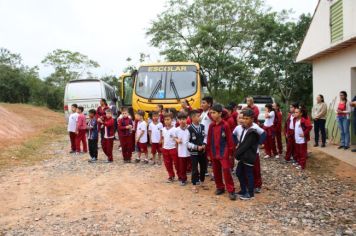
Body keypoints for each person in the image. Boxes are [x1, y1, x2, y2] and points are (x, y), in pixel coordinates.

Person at [206, 104, 236, 201]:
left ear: (220, 113)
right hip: (214, 152)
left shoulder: (225, 125)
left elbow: (230, 140)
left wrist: (231, 152)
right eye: (211, 113)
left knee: (226, 170)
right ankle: (220, 187)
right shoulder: (212, 125)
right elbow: (209, 140)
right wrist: (208, 153)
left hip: (224, 152)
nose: (212, 115)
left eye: (214, 113)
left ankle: (231, 190)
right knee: (216, 171)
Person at [233, 111, 266, 194]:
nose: (243, 120)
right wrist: (236, 144)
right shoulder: (240, 127)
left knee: (254, 170)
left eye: (246, 118)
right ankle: (245, 189)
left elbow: (264, 133)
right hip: (243, 152)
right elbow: (233, 135)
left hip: (252, 153)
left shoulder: (254, 128)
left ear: (252, 119)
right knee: (241, 172)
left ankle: (255, 188)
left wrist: (259, 143)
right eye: (242, 118)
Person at [188, 110, 208, 193]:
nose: (199, 117)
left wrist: (204, 144)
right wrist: (196, 147)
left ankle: (202, 182)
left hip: (203, 151)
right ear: (193, 118)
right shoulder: (189, 129)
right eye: (197, 116)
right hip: (194, 152)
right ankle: (194, 184)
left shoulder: (202, 126)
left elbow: (206, 136)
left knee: (203, 167)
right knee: (195, 169)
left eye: (199, 116)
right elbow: (187, 142)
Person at [161, 113, 179, 183]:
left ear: (172, 120)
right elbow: (163, 139)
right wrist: (163, 147)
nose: (166, 121)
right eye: (165, 120)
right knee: (167, 164)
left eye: (168, 119)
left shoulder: (175, 129)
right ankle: (171, 176)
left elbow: (177, 140)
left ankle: (180, 176)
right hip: (165, 149)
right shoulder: (163, 129)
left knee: (176, 163)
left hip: (173, 149)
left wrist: (177, 149)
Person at [175, 112, 190, 186]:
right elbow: (173, 137)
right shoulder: (176, 129)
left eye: (184, 119)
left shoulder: (190, 128)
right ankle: (183, 179)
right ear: (178, 120)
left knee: (192, 165)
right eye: (180, 119)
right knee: (182, 166)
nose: (182, 121)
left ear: (187, 119)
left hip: (190, 151)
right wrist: (177, 140)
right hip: (181, 152)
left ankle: (195, 178)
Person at [200, 96, 213, 177]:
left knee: (209, 156)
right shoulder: (203, 113)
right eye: (201, 103)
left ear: (209, 104)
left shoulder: (210, 113)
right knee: (203, 155)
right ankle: (204, 170)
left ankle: (213, 172)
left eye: (204, 103)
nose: (201, 104)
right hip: (202, 138)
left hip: (209, 138)